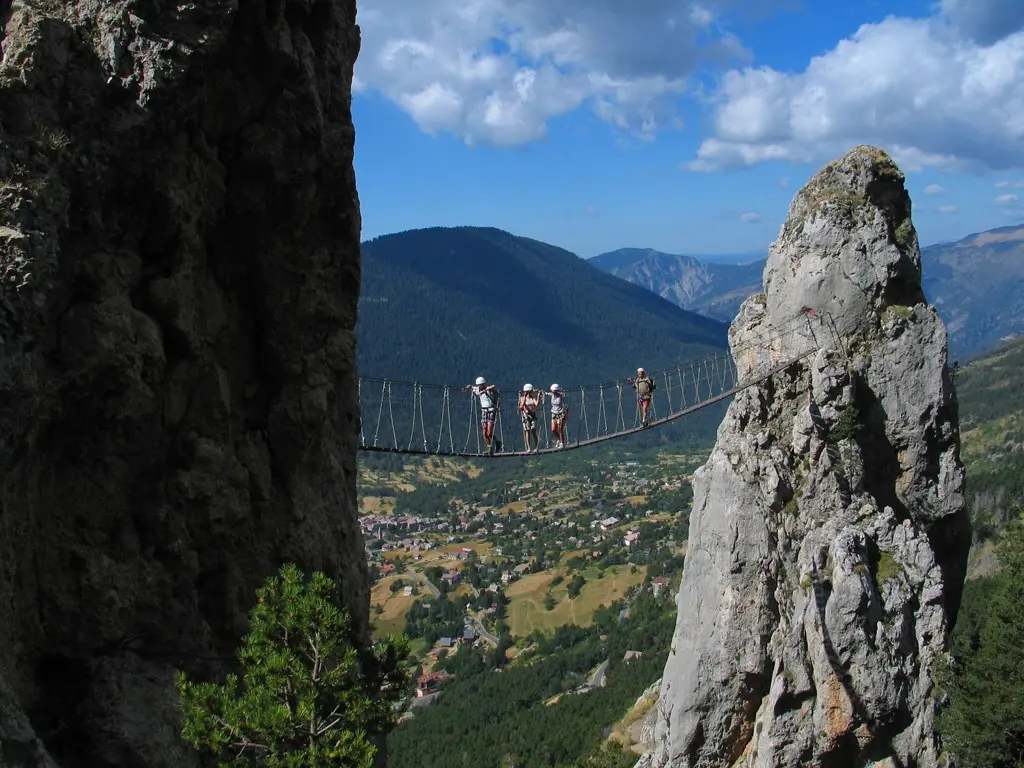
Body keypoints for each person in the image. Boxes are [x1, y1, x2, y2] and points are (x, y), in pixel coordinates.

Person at [461, 376, 502, 454]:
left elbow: (493, 386)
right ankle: (489, 448)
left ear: (484, 384)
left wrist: (485, 390)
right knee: (484, 432)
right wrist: (466, 388)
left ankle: (497, 442)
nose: (479, 386)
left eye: (481, 385)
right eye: (479, 385)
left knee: (489, 432)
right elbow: (471, 386)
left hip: (491, 411)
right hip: (484, 412)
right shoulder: (477, 389)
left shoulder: (489, 389)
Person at [518, 383, 542, 453]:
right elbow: (521, 406)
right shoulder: (522, 398)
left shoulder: (532, 398)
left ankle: (536, 447)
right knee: (527, 430)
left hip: (533, 415)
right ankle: (529, 447)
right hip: (526, 416)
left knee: (533, 430)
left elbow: (536, 404)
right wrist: (525, 397)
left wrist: (538, 396)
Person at [544, 383, 568, 449]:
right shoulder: (552, 394)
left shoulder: (561, 395)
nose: (553, 392)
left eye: (554, 391)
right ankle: (559, 440)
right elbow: (546, 393)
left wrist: (559, 391)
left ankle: (562, 443)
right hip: (554, 414)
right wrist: (540, 392)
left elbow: (563, 396)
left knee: (560, 429)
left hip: (560, 413)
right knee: (553, 429)